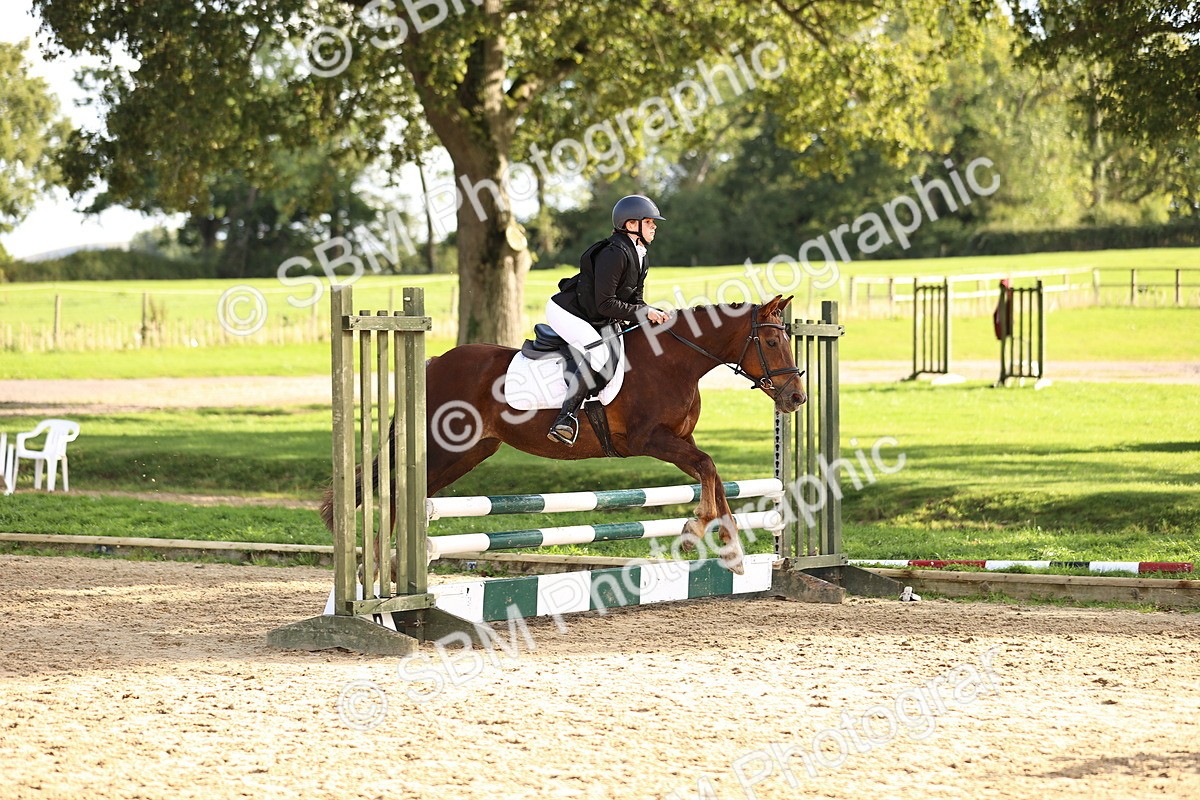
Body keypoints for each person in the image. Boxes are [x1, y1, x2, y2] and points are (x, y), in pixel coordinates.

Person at [545, 194, 672, 445]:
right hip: (569, 313)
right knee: (601, 356)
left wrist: (652, 312)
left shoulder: (640, 254)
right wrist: (644, 312)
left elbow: (635, 300)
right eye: (649, 222)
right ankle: (565, 419)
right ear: (631, 224)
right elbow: (605, 303)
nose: (654, 226)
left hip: (597, 315)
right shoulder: (614, 253)